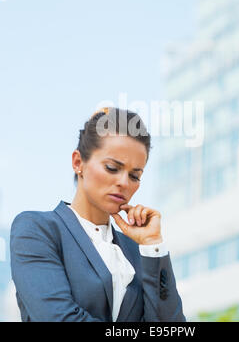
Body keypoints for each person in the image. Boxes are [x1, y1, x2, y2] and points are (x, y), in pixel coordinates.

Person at [10, 107, 186, 322]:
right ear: (78, 162)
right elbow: (58, 318)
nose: (123, 182)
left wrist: (152, 245)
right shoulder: (37, 230)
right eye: (112, 167)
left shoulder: (135, 250)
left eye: (134, 175)